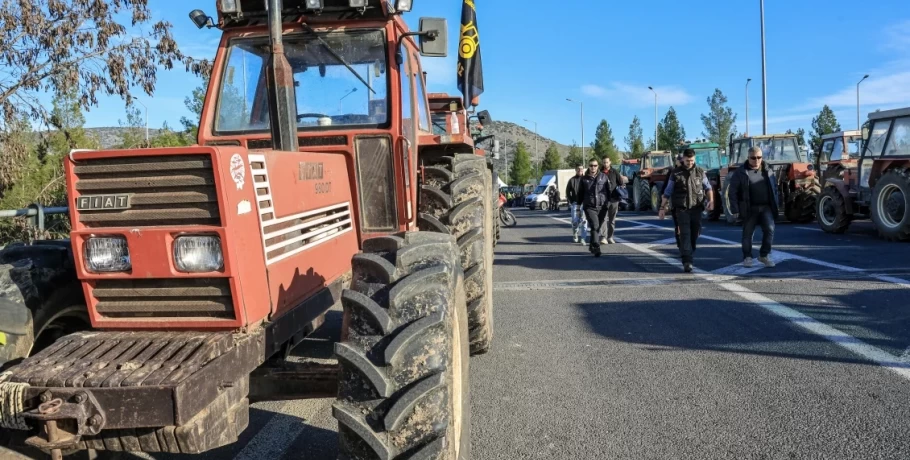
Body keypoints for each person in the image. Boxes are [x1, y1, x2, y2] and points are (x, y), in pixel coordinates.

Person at [658, 149, 714, 273]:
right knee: (685, 234)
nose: (690, 163)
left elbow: (708, 187)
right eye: (687, 160)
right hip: (681, 209)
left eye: (692, 160)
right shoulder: (676, 173)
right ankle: (687, 261)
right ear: (683, 159)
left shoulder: (700, 172)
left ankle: (689, 250)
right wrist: (662, 207)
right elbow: (668, 191)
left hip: (696, 208)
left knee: (695, 233)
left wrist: (711, 201)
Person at [727, 146, 779, 268]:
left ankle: (764, 255)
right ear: (748, 158)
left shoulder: (768, 170)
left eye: (759, 157)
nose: (756, 160)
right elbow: (732, 192)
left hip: (766, 207)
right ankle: (747, 257)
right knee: (747, 234)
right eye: (753, 158)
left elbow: (775, 188)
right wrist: (734, 209)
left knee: (770, 230)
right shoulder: (740, 172)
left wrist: (777, 203)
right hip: (749, 208)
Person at [580, 159, 610, 256]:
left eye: (595, 165)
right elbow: (580, 194)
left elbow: (609, 191)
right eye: (591, 165)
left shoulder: (604, 177)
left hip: (602, 207)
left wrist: (608, 203)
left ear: (598, 166)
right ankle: (596, 247)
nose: (593, 167)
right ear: (588, 166)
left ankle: (591, 246)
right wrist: (577, 206)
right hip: (589, 207)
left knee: (597, 228)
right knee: (595, 225)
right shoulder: (584, 179)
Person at [598, 156, 623, 245]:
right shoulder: (599, 173)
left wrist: (622, 187)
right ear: (602, 163)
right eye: (604, 162)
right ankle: (603, 237)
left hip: (614, 199)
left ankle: (610, 237)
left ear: (610, 162)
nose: (605, 164)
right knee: (603, 219)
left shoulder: (615, 172)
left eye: (607, 162)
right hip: (603, 200)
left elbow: (621, 183)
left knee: (612, 220)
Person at [565, 165, 588, 244]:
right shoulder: (572, 180)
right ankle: (575, 233)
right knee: (575, 221)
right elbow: (568, 192)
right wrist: (571, 201)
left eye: (581, 169)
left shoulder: (586, 179)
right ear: (575, 170)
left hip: (584, 204)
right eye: (578, 169)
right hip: (575, 204)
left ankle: (583, 238)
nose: (580, 170)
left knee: (584, 221)